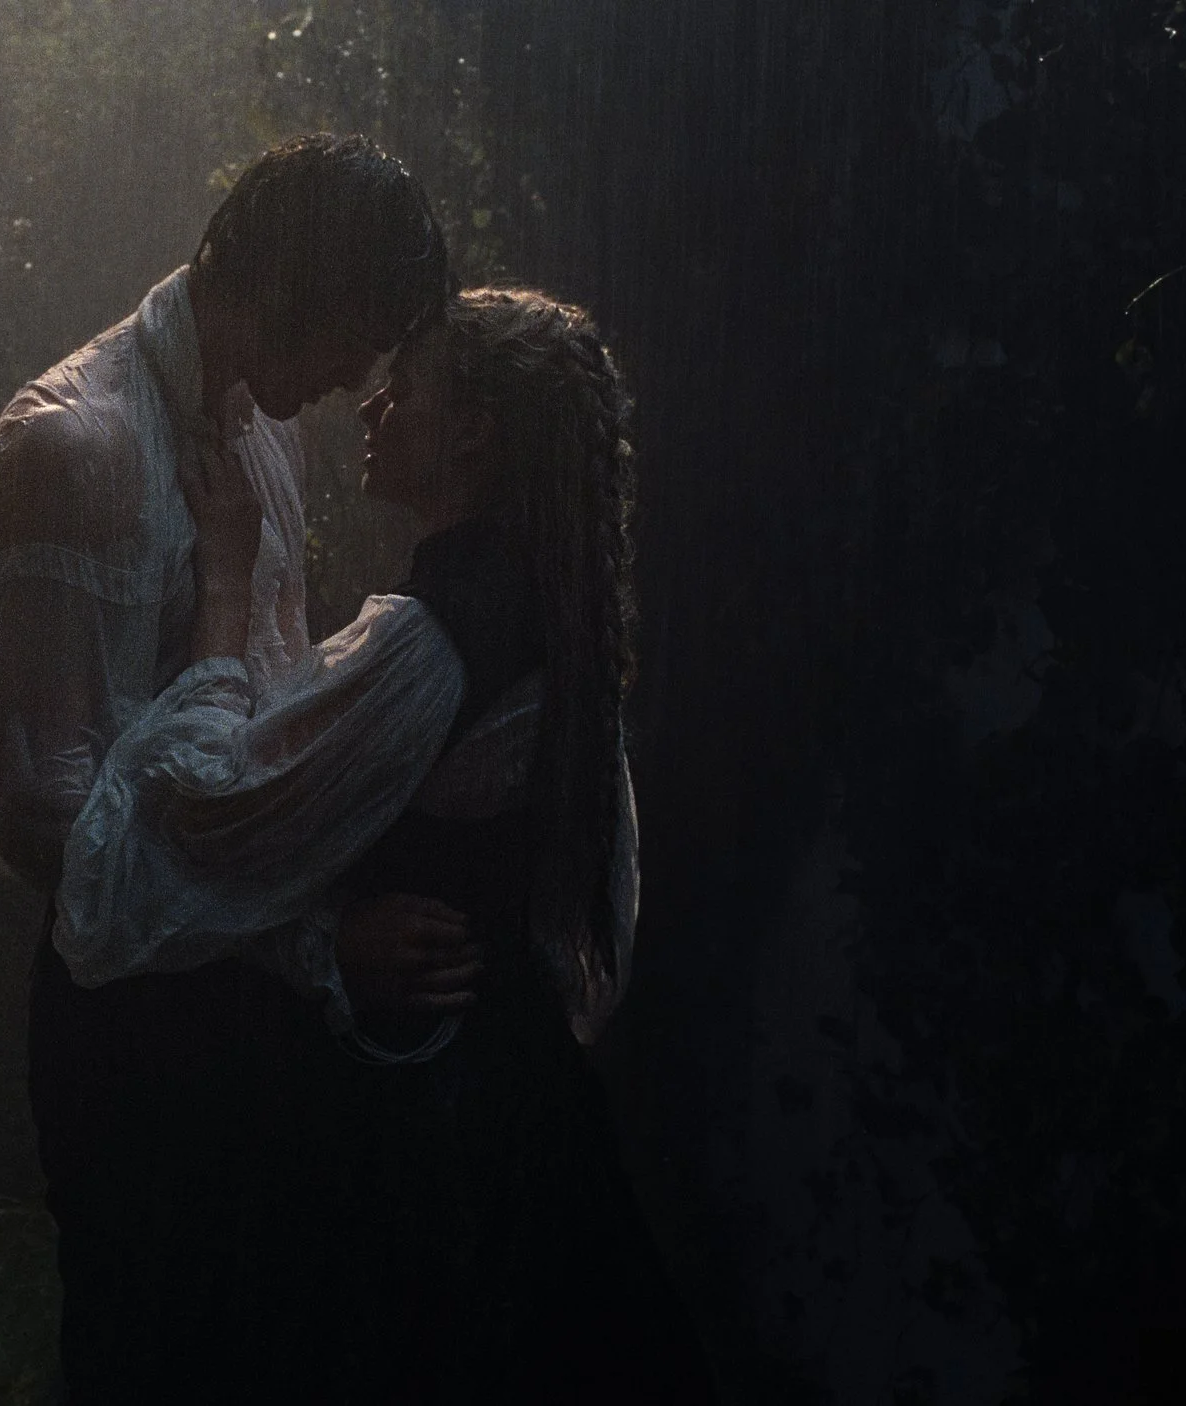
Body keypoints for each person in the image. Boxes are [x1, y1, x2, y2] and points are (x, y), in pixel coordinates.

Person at [59, 287, 717, 1401]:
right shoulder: (547, 599)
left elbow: (213, 808)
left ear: (470, 431)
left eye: (401, 387)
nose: (369, 404)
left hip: (433, 1137)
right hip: (519, 1106)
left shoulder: (432, 636)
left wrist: (225, 575)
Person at [0, 134, 465, 1401]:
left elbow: (259, 743)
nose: (362, 376)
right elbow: (50, 827)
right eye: (361, 329)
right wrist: (309, 948)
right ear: (298, 281)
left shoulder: (262, 437)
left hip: (254, 1017)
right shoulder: (66, 448)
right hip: (129, 1026)